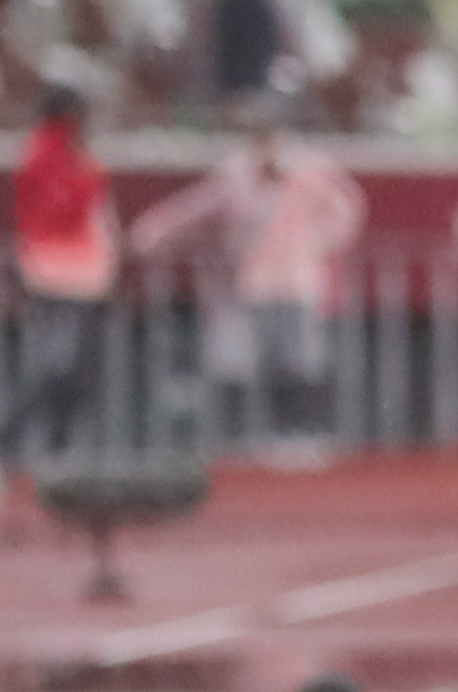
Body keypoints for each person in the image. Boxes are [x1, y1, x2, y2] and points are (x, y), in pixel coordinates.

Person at [130, 112, 368, 467]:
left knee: (300, 361)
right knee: (268, 362)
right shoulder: (237, 173)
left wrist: (321, 244)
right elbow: (197, 206)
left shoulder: (309, 170)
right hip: (257, 283)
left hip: (299, 281)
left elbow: (347, 208)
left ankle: (306, 433)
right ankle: (277, 435)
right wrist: (153, 230)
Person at [0, 82, 115, 505]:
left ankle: (57, 459)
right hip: (58, 278)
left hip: (84, 279)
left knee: (78, 378)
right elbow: (58, 213)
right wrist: (89, 181)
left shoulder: (70, 156)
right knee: (55, 370)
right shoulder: (45, 155)